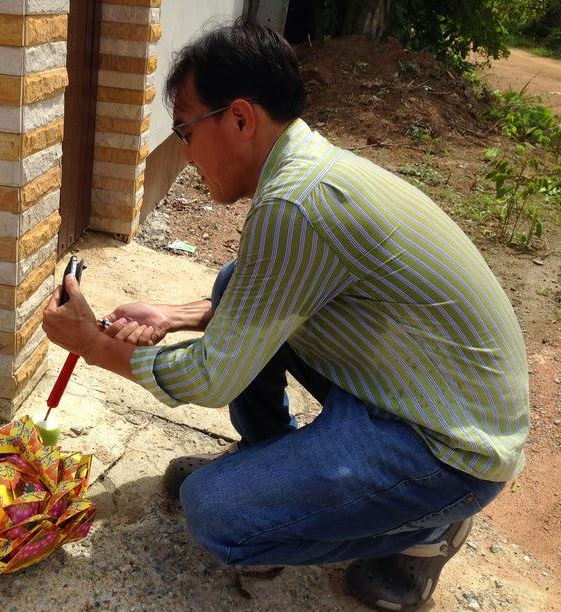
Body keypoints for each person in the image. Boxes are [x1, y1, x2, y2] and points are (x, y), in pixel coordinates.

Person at [42, 18, 529, 611]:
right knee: (232, 283)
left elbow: (210, 379)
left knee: (217, 514)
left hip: (449, 448)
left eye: (186, 131)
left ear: (240, 119)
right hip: (415, 389)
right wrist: (173, 315)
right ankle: (273, 459)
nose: (186, 154)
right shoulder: (309, 173)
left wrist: (93, 344)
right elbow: (264, 296)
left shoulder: (296, 204)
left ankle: (426, 529)